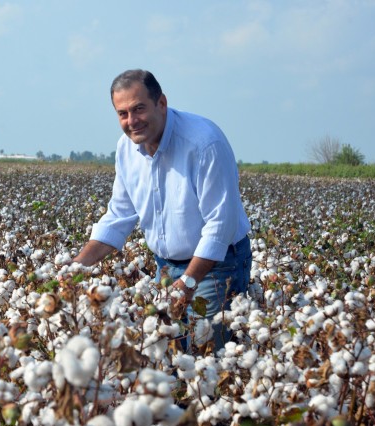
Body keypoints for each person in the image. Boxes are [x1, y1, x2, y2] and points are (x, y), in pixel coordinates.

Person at [72, 69, 251, 351]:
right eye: (123, 114)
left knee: (210, 364)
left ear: (162, 103)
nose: (132, 121)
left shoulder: (203, 143)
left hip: (217, 267)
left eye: (139, 109)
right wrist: (75, 269)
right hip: (166, 268)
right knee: (168, 356)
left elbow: (220, 225)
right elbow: (118, 217)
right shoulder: (127, 149)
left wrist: (188, 282)